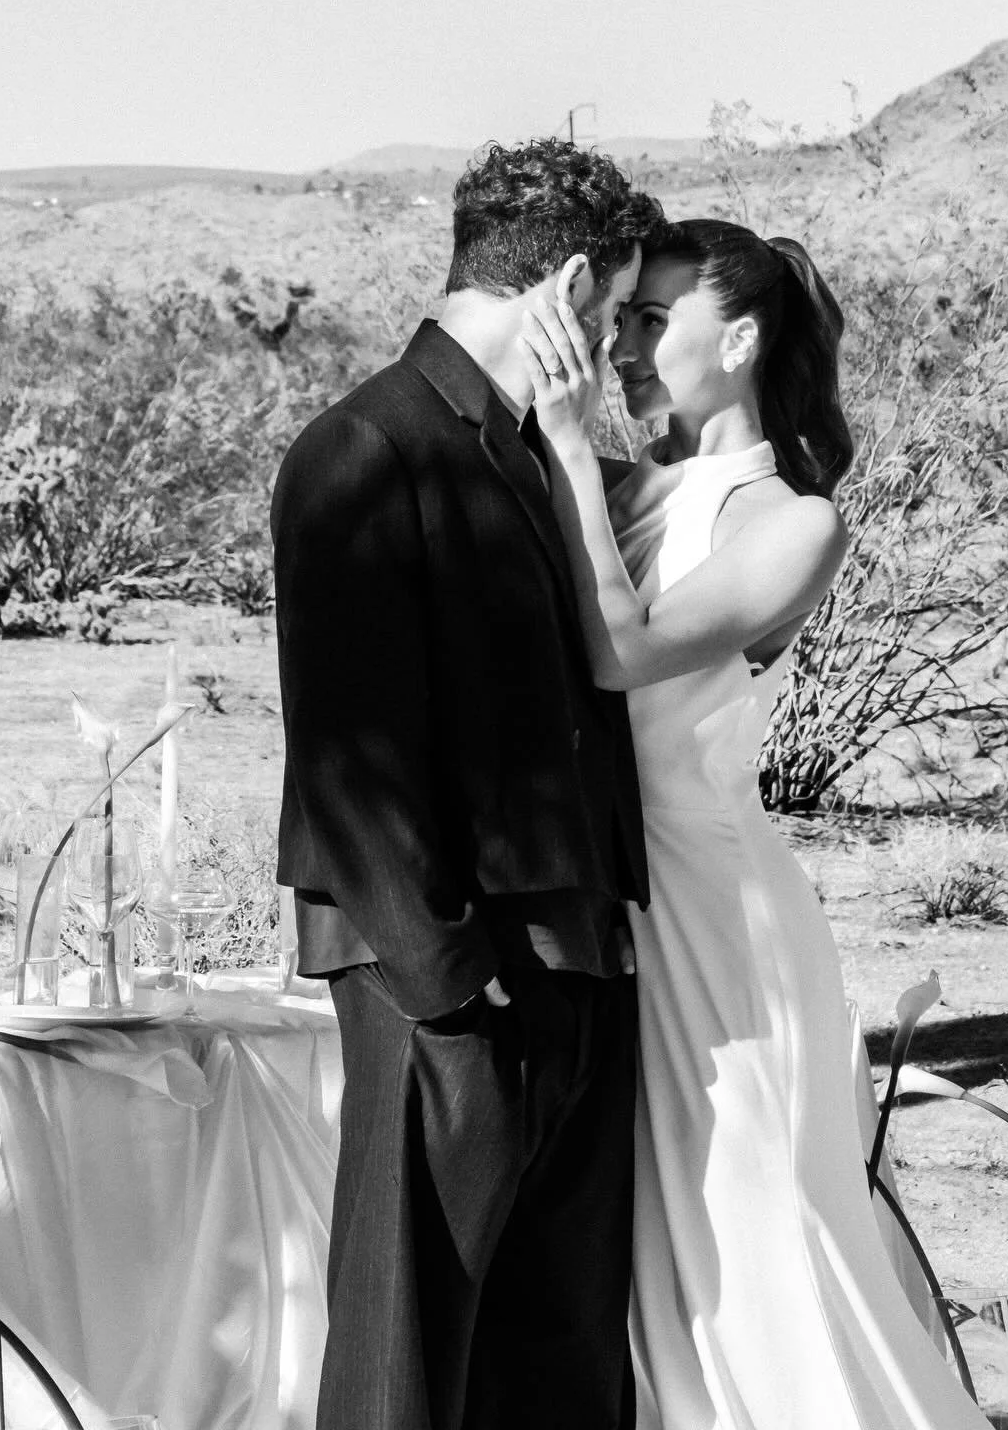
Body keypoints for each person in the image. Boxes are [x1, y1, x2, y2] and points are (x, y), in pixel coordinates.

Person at [518, 217, 987, 1429]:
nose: (621, 345)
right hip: (623, 908)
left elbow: (623, 653)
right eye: (617, 319)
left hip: (724, 927)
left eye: (648, 317)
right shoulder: (625, 490)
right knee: (662, 1255)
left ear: (737, 338)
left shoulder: (793, 522)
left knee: (755, 1233)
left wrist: (571, 450)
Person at [272, 137, 663, 1430]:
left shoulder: (550, 463)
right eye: (609, 315)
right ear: (564, 290)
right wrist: (449, 985)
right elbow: (347, 757)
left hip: (581, 965)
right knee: (407, 1369)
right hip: (445, 984)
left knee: (559, 1368)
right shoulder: (362, 451)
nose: (612, 353)